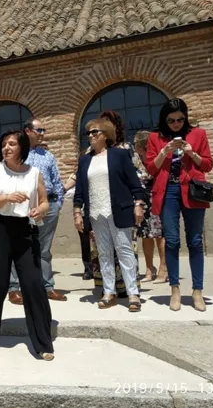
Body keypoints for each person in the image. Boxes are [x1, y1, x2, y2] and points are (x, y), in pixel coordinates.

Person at [0, 131, 54, 361]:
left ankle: (43, 342)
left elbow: (45, 200)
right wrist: (6, 198)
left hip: (24, 230)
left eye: (12, 144)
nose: (6, 148)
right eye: (4, 144)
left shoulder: (34, 173)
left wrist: (41, 209)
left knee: (33, 283)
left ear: (22, 147)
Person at [145, 98, 213, 312]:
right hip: (168, 192)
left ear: (186, 117)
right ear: (164, 120)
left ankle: (197, 291)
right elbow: (151, 169)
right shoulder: (155, 138)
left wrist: (192, 153)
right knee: (172, 241)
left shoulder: (198, 135)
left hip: (192, 190)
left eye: (180, 119)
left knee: (195, 241)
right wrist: (164, 151)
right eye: (171, 120)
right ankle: (174, 289)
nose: (176, 123)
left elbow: (208, 165)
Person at [73, 120, 145, 312]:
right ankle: (108, 292)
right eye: (88, 133)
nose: (90, 135)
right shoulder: (85, 160)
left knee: (124, 250)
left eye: (95, 132)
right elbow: (79, 189)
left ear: (106, 134)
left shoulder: (119, 155)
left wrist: (138, 204)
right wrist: (77, 212)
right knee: (103, 253)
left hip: (118, 210)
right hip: (96, 213)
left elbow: (134, 184)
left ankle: (133, 294)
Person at [7, 119, 66, 305]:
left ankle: (47, 286)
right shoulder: (17, 155)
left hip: (48, 207)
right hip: (24, 207)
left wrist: (58, 203)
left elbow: (57, 181)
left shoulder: (47, 156)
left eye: (44, 130)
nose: (42, 133)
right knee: (19, 246)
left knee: (44, 249)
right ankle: (14, 288)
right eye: (39, 130)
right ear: (27, 131)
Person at [133, 131, 166, 283]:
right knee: (145, 235)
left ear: (142, 145)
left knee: (159, 234)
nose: (133, 146)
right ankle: (149, 268)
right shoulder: (135, 160)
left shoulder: (155, 157)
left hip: (156, 198)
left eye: (135, 143)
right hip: (142, 201)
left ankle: (163, 268)